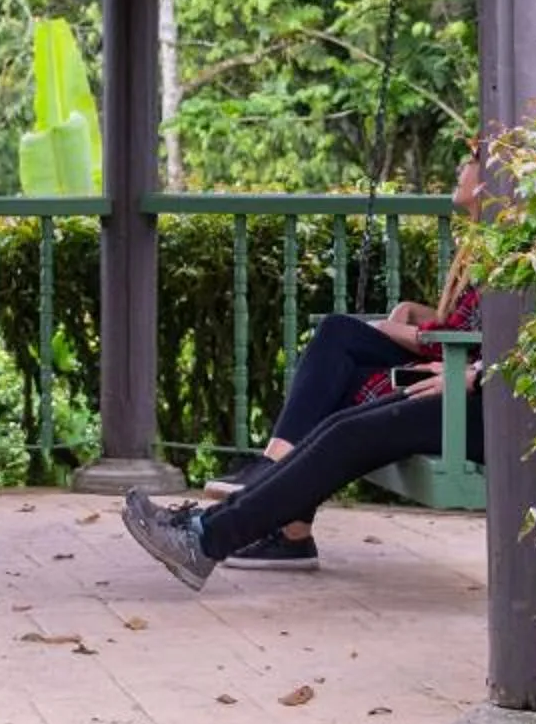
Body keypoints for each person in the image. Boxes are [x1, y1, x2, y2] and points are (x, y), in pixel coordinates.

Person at [129, 158, 492, 585]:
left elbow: (526, 344)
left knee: (345, 429)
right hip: (473, 386)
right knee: (339, 412)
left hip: (488, 401)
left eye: (473, 157)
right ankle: (225, 528)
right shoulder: (503, 244)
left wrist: (474, 374)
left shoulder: (532, 249)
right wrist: (427, 327)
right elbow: (487, 331)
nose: (462, 164)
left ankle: (206, 537)